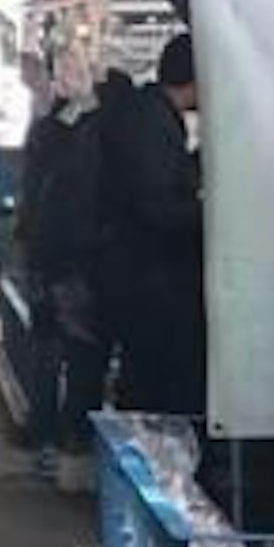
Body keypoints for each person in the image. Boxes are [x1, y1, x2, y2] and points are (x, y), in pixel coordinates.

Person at [91, 34, 207, 418]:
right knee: (151, 377)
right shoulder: (151, 122)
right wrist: (206, 215)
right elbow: (154, 203)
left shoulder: (149, 114)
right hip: (147, 275)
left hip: (137, 271)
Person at [9, 68, 108, 465]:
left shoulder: (46, 134)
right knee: (81, 350)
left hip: (42, 254)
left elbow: (30, 193)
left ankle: (42, 424)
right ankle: (73, 436)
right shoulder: (90, 145)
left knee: (46, 341)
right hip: (72, 260)